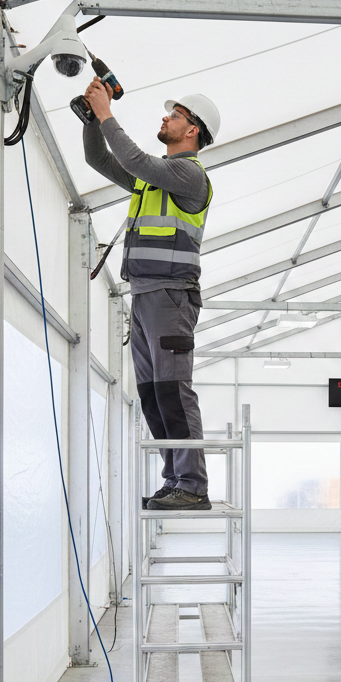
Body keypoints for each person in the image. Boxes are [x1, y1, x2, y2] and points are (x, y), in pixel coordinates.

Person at [82, 79, 221, 511]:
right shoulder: (151, 180)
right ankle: (175, 478)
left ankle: (193, 485)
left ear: (193, 130)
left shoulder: (188, 174)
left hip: (171, 295)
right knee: (153, 395)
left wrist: (107, 113)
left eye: (175, 115)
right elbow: (97, 157)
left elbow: (135, 159)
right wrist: (91, 118)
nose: (166, 118)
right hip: (143, 294)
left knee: (174, 390)